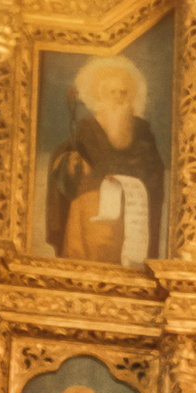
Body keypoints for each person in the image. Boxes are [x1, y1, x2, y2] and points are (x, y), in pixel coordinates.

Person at [48, 57, 166, 265]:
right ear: (100, 95)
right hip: (92, 207)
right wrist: (74, 163)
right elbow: (74, 168)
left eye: (124, 92)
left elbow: (153, 167)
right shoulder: (87, 127)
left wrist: (130, 179)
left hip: (131, 207)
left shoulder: (141, 130)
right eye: (113, 92)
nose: (119, 98)